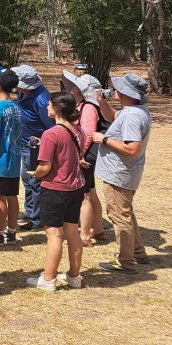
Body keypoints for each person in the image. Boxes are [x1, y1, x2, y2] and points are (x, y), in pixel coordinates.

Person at [91, 73, 152, 273]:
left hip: (119, 173)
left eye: (118, 88)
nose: (115, 90)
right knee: (126, 211)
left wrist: (104, 139)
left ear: (125, 92)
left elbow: (132, 148)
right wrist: (101, 102)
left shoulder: (132, 116)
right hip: (126, 172)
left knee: (119, 216)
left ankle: (125, 261)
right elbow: (113, 117)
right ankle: (137, 252)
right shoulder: (134, 111)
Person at [25, 93, 86, 290]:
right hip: (75, 187)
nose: (46, 108)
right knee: (72, 232)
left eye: (49, 105)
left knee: (54, 235)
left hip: (55, 188)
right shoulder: (78, 131)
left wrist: (35, 173)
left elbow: (45, 166)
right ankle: (74, 276)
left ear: (57, 109)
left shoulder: (51, 134)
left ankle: (48, 279)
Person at [61, 70, 107, 245]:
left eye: (77, 86)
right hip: (89, 153)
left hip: (87, 154)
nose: (72, 88)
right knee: (91, 192)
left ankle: (85, 235)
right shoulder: (84, 106)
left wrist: (79, 155)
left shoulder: (88, 107)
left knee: (84, 196)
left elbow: (87, 134)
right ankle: (99, 229)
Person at [13, 65, 54, 230]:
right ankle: (30, 210)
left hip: (36, 146)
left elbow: (52, 126)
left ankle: (38, 219)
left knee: (36, 180)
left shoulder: (42, 100)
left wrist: (43, 142)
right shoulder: (23, 94)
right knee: (27, 179)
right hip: (24, 144)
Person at [0, 68, 23, 247]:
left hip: (0, 160)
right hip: (15, 160)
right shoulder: (16, 107)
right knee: (12, 196)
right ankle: (12, 232)